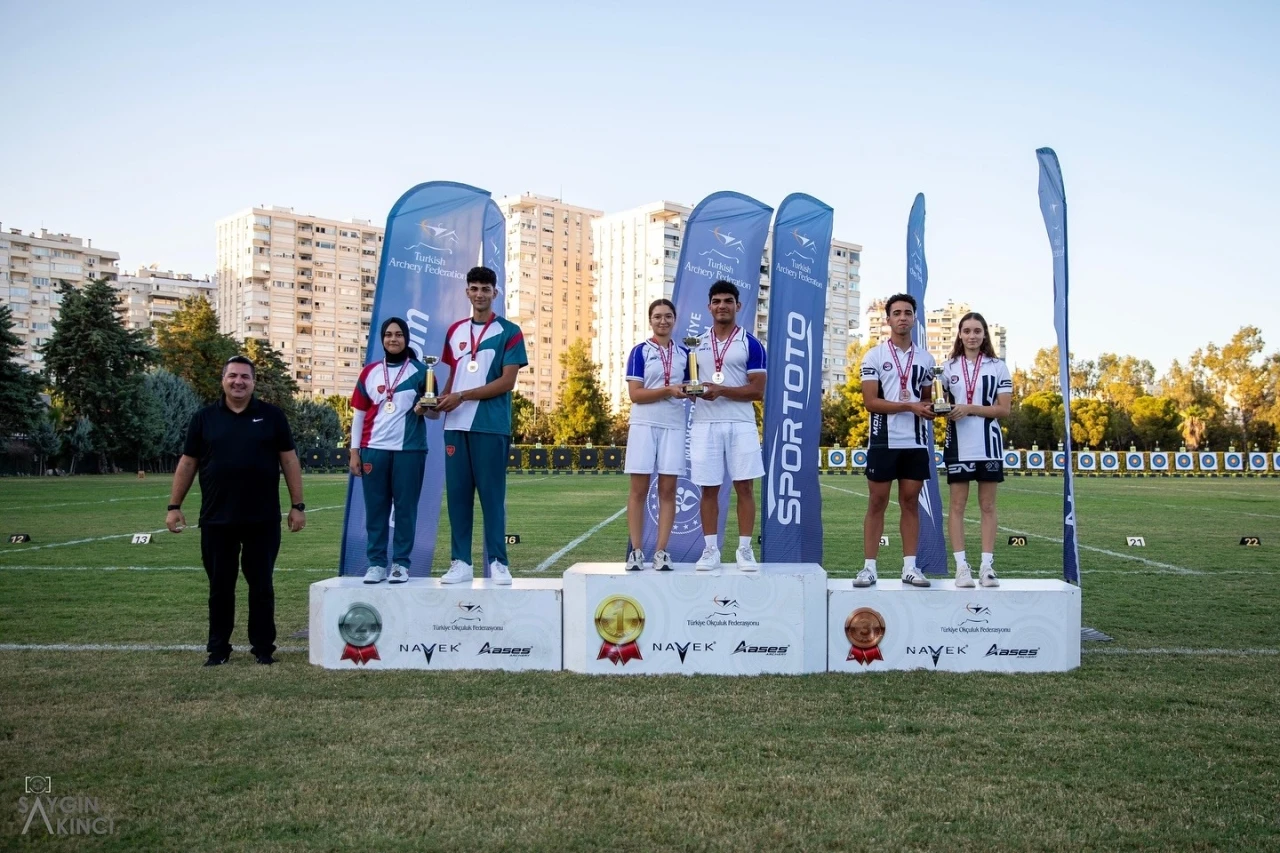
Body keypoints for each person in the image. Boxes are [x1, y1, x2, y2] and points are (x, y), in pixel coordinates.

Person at [165, 355, 306, 666]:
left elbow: (290, 461)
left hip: (262, 518)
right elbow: (188, 463)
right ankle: (218, 650)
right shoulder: (203, 419)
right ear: (223, 380)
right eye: (233, 376)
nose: (238, 382)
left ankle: (264, 649)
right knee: (220, 588)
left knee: (261, 587)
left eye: (245, 377)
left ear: (253, 382)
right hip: (217, 519)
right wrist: (174, 506)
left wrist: (297, 506)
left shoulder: (272, 416)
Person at [431, 267, 528, 585]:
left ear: (494, 293)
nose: (479, 294)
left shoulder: (509, 331)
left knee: (491, 496)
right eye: (474, 288)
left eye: (485, 288)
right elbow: (452, 379)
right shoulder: (455, 331)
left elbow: (507, 381)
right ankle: (461, 562)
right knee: (458, 497)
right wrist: (436, 403)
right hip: (455, 425)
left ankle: (499, 561)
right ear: (467, 292)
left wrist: (462, 396)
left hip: (490, 425)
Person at [855, 293, 936, 589]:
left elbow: (927, 400)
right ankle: (869, 568)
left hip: (915, 443)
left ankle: (910, 568)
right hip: (883, 440)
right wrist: (911, 406)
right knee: (877, 502)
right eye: (897, 313)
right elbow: (870, 402)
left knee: (910, 503)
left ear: (915, 319)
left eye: (908, 313)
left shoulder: (926, 359)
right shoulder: (874, 356)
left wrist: (930, 410)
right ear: (888, 319)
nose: (903, 317)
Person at [689, 280, 767, 572]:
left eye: (728, 301)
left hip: (740, 422)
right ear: (709, 306)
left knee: (744, 488)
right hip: (705, 424)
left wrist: (721, 390)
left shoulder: (751, 343)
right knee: (708, 489)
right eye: (717, 301)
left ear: (738, 306)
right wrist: (693, 390)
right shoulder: (695, 344)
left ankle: (745, 549)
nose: (722, 305)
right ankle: (710, 549)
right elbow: (689, 384)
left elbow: (757, 391)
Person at [349, 317, 430, 585]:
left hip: (410, 451)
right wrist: (354, 451)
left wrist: (423, 409)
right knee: (376, 510)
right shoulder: (369, 372)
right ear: (382, 339)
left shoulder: (421, 372)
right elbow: (359, 415)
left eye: (398, 334)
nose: (393, 339)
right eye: (388, 334)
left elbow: (431, 414)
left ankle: (401, 564)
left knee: (406, 509)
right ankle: (375, 563)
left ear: (406, 338)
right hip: (374, 450)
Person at [940, 311, 1012, 588]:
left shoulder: (998, 367)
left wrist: (969, 408)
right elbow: (942, 404)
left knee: (988, 506)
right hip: (958, 444)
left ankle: (987, 567)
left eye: (977, 331)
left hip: (989, 445)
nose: (972, 336)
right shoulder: (948, 368)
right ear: (959, 334)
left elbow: (1003, 409)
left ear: (984, 335)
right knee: (957, 506)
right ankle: (961, 569)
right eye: (967, 330)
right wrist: (944, 411)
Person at [623, 299, 690, 572]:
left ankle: (662, 552)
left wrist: (695, 393)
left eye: (668, 316)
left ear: (675, 319)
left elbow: (688, 388)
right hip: (644, 425)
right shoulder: (639, 352)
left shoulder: (686, 354)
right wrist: (668, 391)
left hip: (673, 425)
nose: (663, 321)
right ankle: (636, 552)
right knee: (638, 490)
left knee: (668, 490)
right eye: (658, 317)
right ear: (650, 320)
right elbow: (635, 395)